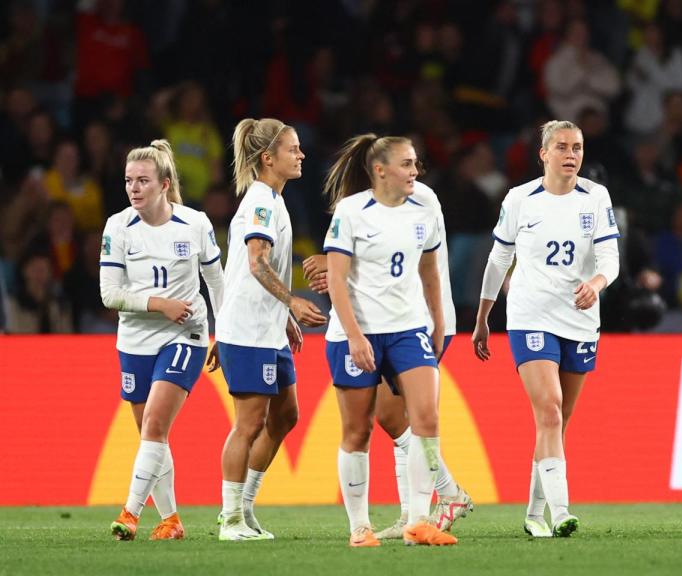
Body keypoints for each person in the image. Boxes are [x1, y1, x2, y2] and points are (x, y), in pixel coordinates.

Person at [472, 120, 620, 538]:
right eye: (561, 147)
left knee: (557, 420)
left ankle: (534, 513)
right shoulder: (521, 199)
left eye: (577, 147)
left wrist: (596, 283)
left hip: (580, 318)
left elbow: (610, 257)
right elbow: (499, 260)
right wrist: (484, 316)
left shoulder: (597, 197)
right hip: (530, 314)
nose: (571, 155)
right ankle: (561, 511)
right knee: (550, 409)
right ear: (543, 154)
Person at [302, 179, 473, 540]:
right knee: (395, 421)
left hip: (413, 323)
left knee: (400, 419)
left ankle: (439, 500)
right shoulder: (370, 205)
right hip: (391, 321)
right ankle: (418, 512)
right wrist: (338, 265)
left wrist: (336, 264)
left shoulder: (416, 198)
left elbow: (400, 264)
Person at [102, 140, 224, 540]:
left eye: (143, 181)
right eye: (128, 181)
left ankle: (130, 513)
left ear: (165, 185)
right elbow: (110, 294)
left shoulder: (195, 224)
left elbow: (215, 281)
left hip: (185, 334)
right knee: (150, 436)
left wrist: (222, 331)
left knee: (154, 424)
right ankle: (171, 520)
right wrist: (159, 304)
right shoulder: (118, 226)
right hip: (135, 339)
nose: (134, 189)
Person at [214, 118, 327, 541]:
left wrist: (284, 318)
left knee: (286, 415)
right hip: (247, 330)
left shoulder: (275, 200)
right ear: (268, 158)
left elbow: (254, 268)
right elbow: (257, 260)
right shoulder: (261, 201)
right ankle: (229, 519)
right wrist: (292, 300)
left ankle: (243, 509)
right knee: (248, 424)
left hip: (267, 328)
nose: (301, 155)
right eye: (293, 149)